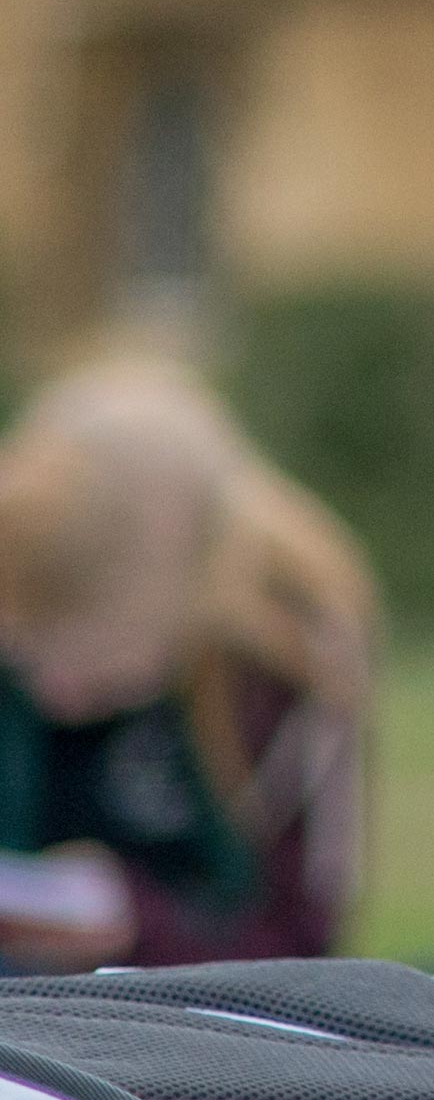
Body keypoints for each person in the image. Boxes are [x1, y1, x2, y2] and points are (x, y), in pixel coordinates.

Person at [0, 357, 378, 968]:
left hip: (184, 1021)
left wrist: (138, 924)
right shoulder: (23, 570)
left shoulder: (290, 653)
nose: (56, 695)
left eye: (96, 667)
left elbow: (301, 951)